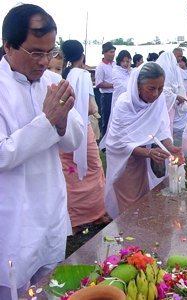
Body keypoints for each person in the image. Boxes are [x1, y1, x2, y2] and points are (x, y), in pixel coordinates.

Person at [0, 4, 84, 298]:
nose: (45, 61)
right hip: (12, 213)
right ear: (8, 46)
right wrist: (47, 121)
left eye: (51, 52)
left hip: (48, 204)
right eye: (36, 52)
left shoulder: (52, 82)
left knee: (49, 284)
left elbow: (74, 141)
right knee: (13, 286)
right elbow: (2, 154)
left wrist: (60, 125)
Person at [105, 62, 183, 218]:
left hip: (144, 159)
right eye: (151, 89)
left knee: (144, 199)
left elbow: (160, 128)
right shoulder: (124, 104)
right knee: (130, 205)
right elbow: (118, 143)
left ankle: (142, 234)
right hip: (125, 162)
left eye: (160, 88)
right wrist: (148, 152)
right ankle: (129, 236)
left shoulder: (157, 101)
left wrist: (170, 147)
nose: (156, 94)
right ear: (138, 86)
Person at [60, 40, 109, 233]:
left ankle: (74, 218)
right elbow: (90, 107)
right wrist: (96, 112)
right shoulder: (83, 75)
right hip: (82, 128)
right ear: (82, 55)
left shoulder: (64, 74)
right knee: (93, 168)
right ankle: (96, 214)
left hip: (64, 129)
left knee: (69, 171)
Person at [156, 51, 187, 146]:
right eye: (178, 56)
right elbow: (164, 91)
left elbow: (178, 86)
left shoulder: (174, 70)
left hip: (175, 106)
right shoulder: (162, 73)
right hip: (167, 108)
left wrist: (179, 97)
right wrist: (176, 97)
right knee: (167, 130)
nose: (179, 59)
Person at [95, 42, 116, 137]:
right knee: (106, 120)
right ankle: (104, 142)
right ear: (105, 52)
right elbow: (99, 83)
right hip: (107, 96)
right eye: (111, 52)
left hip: (116, 95)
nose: (113, 54)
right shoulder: (101, 66)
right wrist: (114, 85)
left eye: (114, 52)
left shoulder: (115, 64)